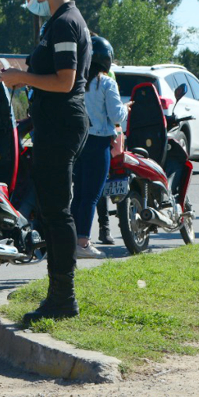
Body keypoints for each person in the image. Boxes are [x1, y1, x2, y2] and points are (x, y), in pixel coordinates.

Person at [0, 0, 91, 327]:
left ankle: (63, 297)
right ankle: (57, 293)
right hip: (52, 123)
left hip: (64, 122)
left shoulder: (67, 21)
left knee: (57, 213)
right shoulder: (56, 22)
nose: (29, 1)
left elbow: (65, 81)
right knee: (52, 211)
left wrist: (21, 77)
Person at [71, 36, 126, 258]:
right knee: (92, 196)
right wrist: (125, 109)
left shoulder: (76, 81)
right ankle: (83, 242)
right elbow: (116, 115)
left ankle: (72, 238)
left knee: (79, 194)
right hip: (98, 141)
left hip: (78, 142)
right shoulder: (106, 82)